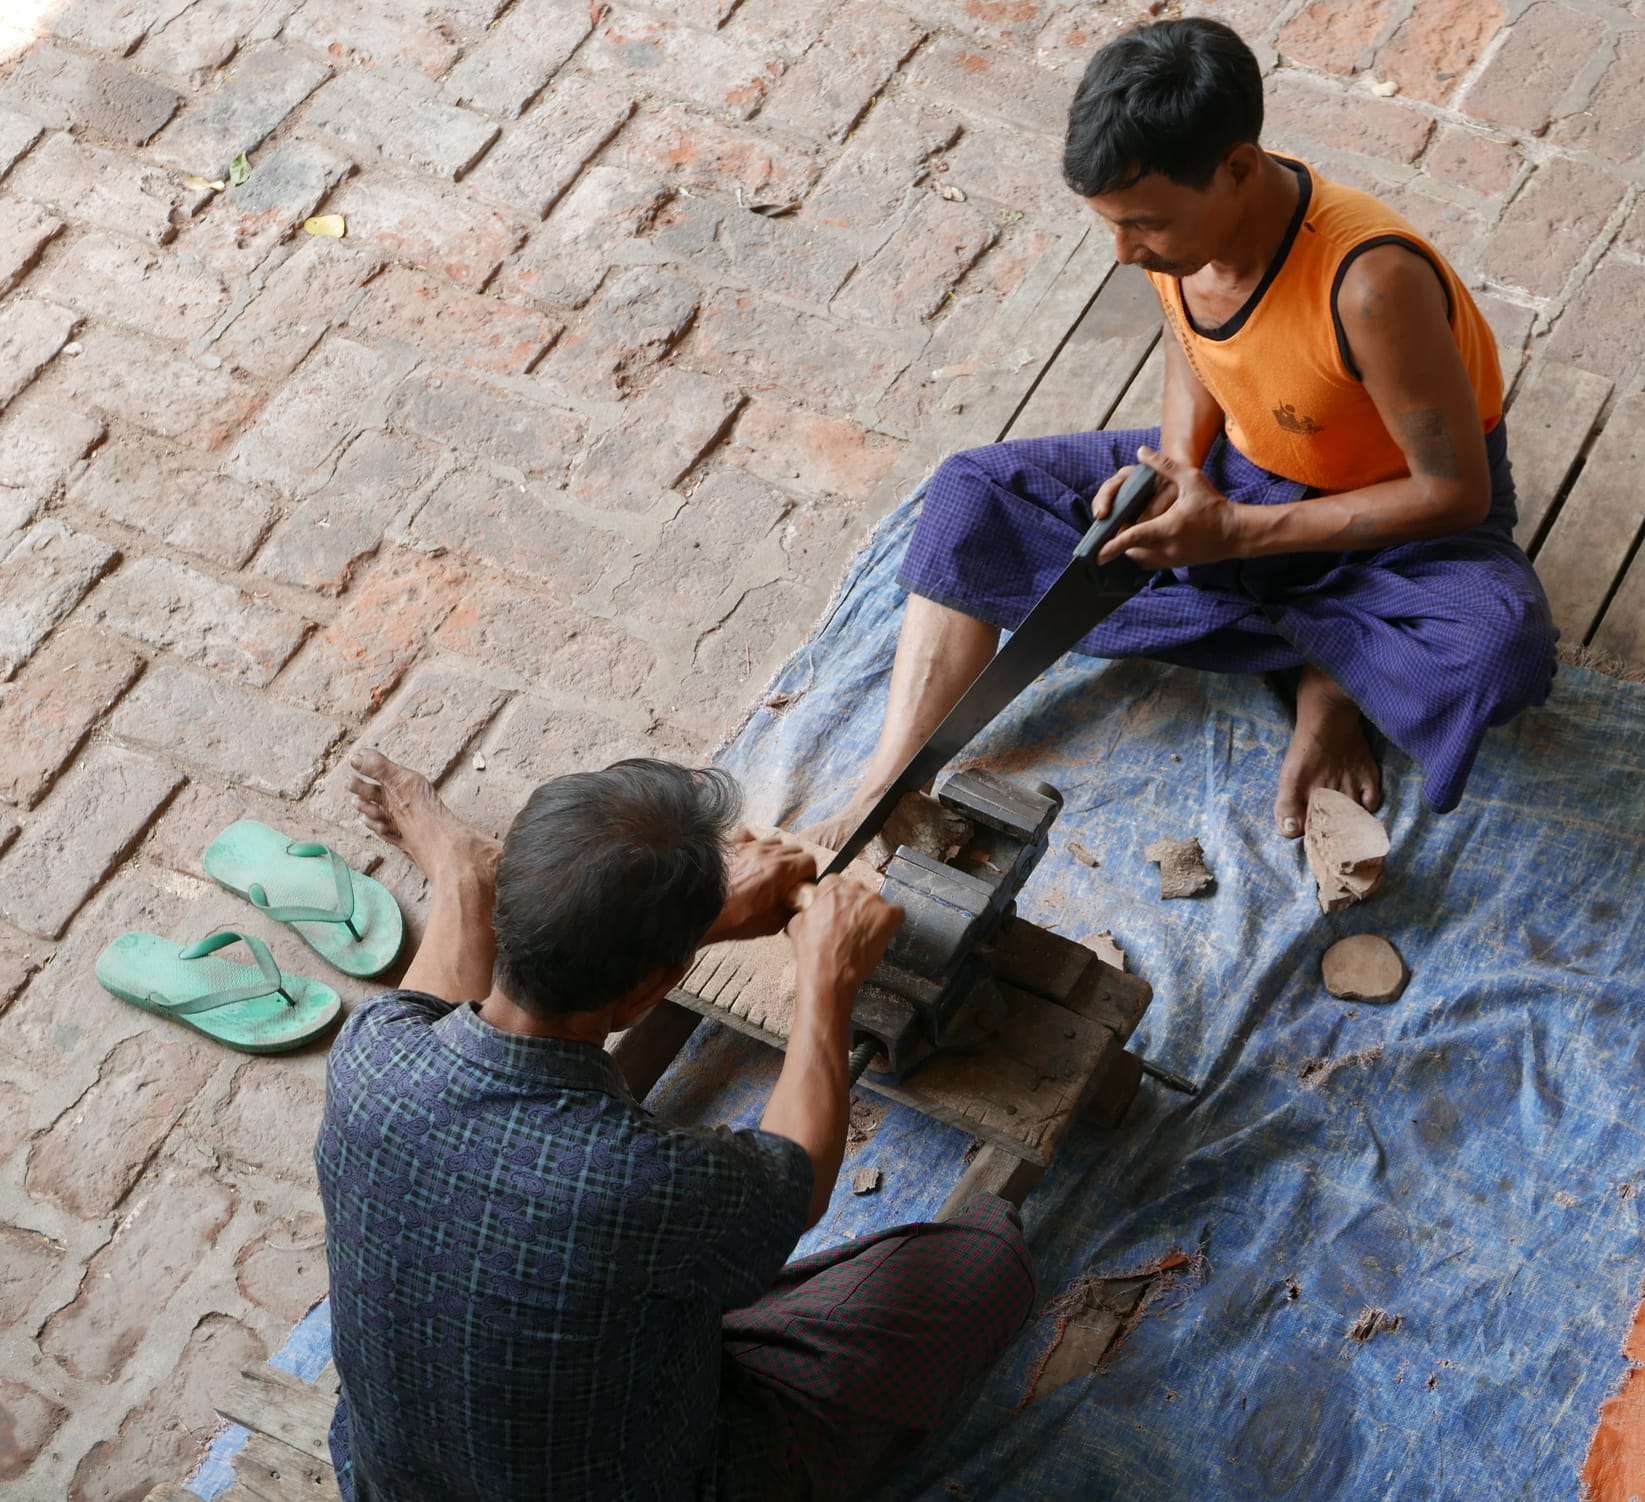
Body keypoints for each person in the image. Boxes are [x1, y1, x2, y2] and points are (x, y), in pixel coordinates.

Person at [809, 17, 1556, 841]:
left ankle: (1332, 683)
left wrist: (1234, 533)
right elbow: (1192, 343)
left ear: (1238, 169)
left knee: (1501, 649)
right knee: (969, 492)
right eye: (1110, 224)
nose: (1124, 253)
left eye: (1144, 225)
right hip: (1248, 470)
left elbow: (1454, 495)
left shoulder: (1371, 286)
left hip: (1397, 523)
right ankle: (887, 788)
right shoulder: (1185, 237)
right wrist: (1174, 469)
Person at [316, 750, 1037, 1501]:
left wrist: (691, 929)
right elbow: (797, 1179)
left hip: (390, 1482)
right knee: (985, 1259)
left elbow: (438, 1008)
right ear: (649, 992)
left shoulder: (370, 1055)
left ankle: (463, 876)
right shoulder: (648, 1184)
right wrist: (827, 983)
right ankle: (465, 873)